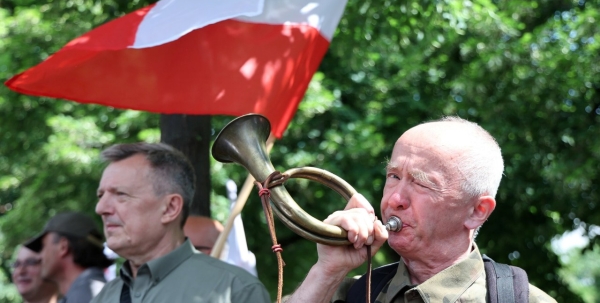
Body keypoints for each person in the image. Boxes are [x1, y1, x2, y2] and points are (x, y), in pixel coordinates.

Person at [285, 116, 557, 303]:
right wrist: (327, 271)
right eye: (393, 176)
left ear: (477, 211)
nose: (395, 199)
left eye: (422, 183)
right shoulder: (350, 292)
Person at [92, 142, 270, 302]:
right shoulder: (104, 297)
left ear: (170, 208)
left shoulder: (234, 291)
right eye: (101, 195)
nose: (101, 208)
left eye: (121, 195)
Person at [24, 212, 113, 303]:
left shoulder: (86, 295)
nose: (39, 257)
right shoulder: (96, 291)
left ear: (63, 247)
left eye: (43, 246)